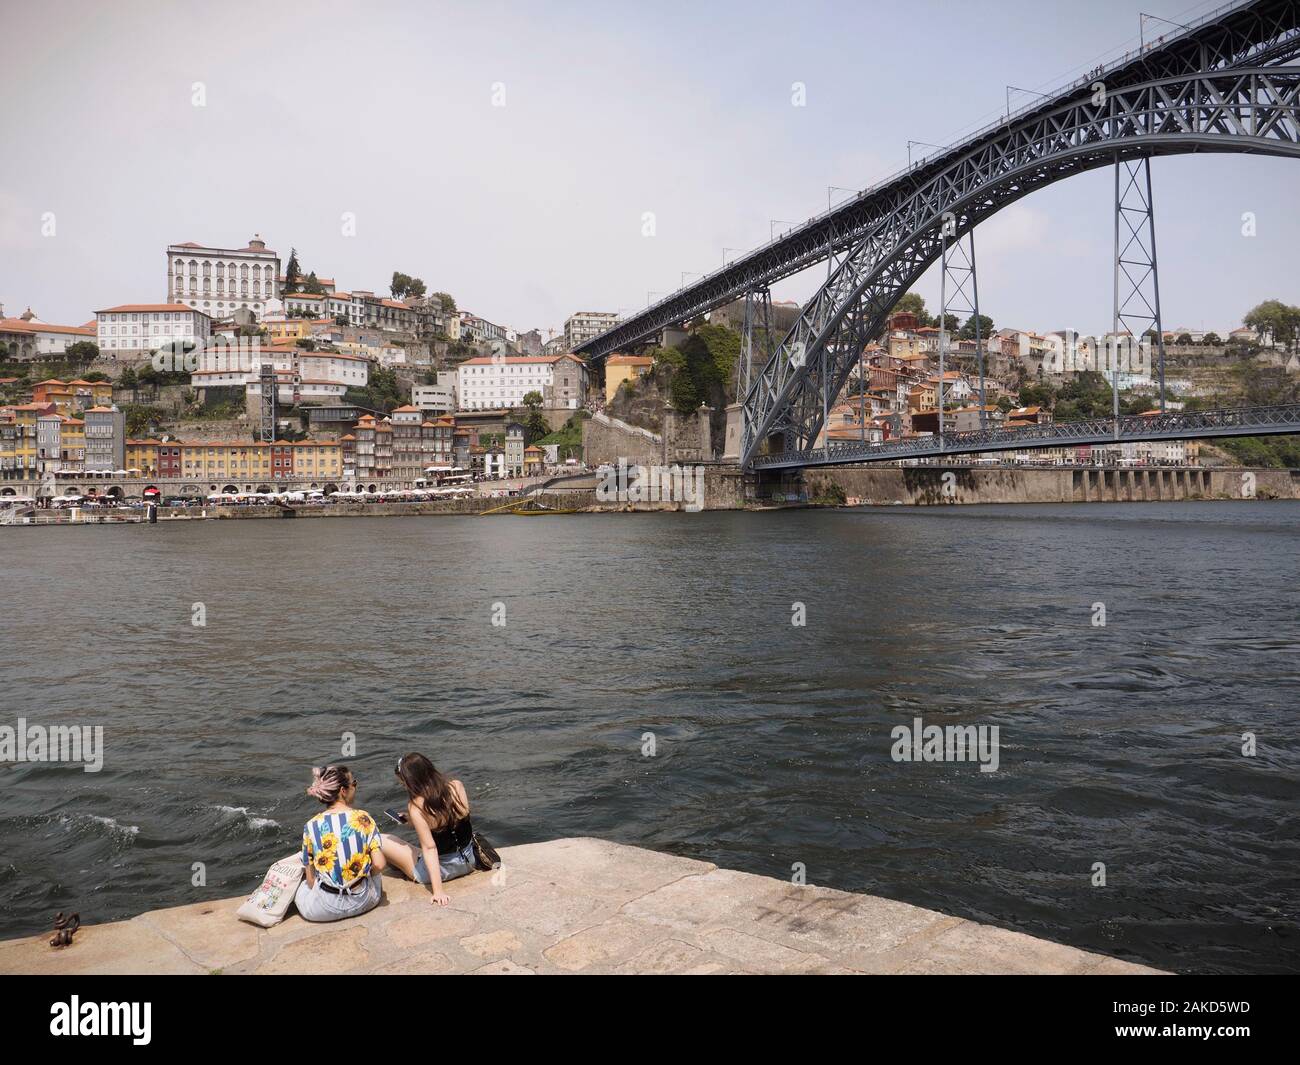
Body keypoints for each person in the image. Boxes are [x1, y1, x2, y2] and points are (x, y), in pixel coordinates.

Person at [380, 753, 477, 906]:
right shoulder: (456, 785)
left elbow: (430, 848)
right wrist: (411, 820)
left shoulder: (416, 807)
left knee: (381, 840)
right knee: (417, 849)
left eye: (404, 783)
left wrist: (438, 891)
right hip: (470, 860)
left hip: (445, 870)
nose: (404, 787)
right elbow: (450, 820)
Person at [294, 764, 387, 922]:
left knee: (301, 886)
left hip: (323, 911)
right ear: (343, 791)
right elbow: (379, 864)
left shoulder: (311, 825)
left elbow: (311, 881)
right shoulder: (363, 818)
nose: (355, 788)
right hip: (365, 902)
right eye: (354, 784)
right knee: (373, 872)